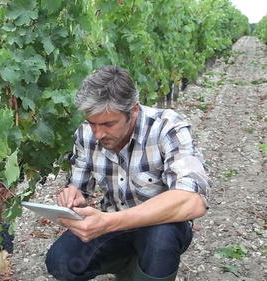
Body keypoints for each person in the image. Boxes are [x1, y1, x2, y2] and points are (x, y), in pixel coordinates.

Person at [45, 65, 211, 281]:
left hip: (157, 226)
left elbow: (192, 200)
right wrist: (72, 197)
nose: (98, 133)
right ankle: (129, 266)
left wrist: (109, 222)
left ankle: (147, 268)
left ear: (133, 110)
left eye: (108, 124)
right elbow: (80, 190)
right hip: (112, 228)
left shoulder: (167, 127)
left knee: (160, 240)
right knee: (61, 260)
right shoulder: (86, 135)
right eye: (92, 123)